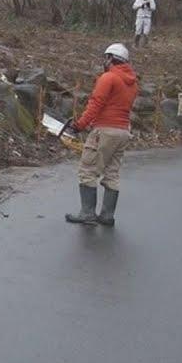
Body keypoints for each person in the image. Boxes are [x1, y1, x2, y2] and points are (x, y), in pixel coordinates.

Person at [65, 43, 138, 227]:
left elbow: (96, 104)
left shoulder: (108, 78)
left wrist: (79, 125)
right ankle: (107, 216)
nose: (103, 62)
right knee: (112, 173)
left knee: (88, 171)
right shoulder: (132, 83)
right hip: (123, 132)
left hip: (104, 131)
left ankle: (87, 213)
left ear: (110, 58)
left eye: (105, 58)